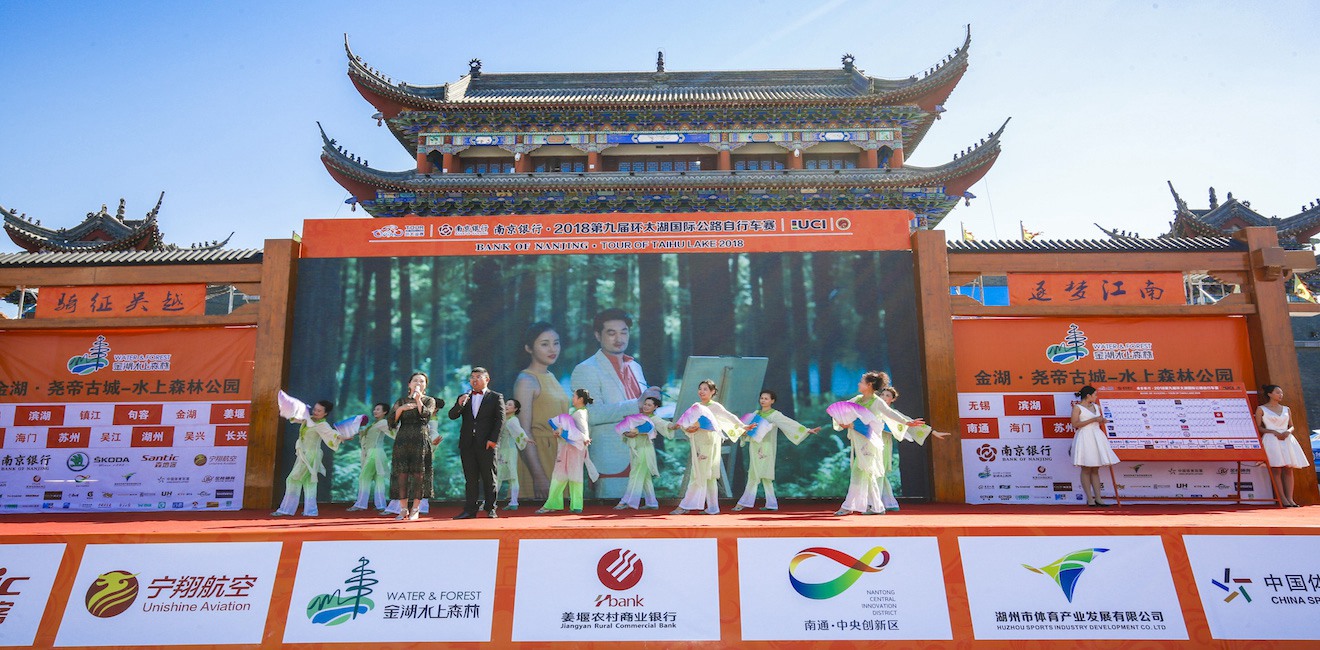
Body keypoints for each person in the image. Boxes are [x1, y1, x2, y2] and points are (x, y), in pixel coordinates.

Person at [571, 309, 663, 498]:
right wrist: (637, 403)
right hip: (611, 460)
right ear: (598, 335)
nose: (619, 338)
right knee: (611, 513)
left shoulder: (635, 367)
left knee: (642, 514)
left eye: (623, 332)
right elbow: (591, 414)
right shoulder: (586, 369)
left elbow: (641, 410)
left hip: (641, 456)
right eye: (611, 333)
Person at [832, 371, 926, 516]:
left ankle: (851, 506)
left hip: (870, 442)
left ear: (869, 385)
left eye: (861, 382)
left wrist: (907, 422)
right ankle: (876, 506)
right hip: (860, 441)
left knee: (863, 472)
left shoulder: (877, 402)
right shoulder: (857, 399)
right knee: (865, 473)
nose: (859, 384)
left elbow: (890, 413)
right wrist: (842, 421)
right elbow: (842, 410)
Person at [672, 379, 750, 515]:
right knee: (709, 476)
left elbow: (729, 416)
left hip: (709, 442)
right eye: (700, 389)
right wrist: (688, 429)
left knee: (698, 474)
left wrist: (743, 426)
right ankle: (713, 508)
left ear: (713, 392)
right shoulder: (696, 406)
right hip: (698, 440)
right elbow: (686, 423)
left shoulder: (715, 407)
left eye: (705, 389)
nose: (701, 391)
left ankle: (684, 506)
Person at [733, 390, 820, 512]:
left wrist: (806, 430)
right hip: (755, 446)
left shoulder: (775, 415)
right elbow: (746, 428)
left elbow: (789, 423)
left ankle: (744, 502)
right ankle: (771, 504)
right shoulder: (756, 413)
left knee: (761, 475)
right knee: (756, 474)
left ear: (772, 401)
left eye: (766, 398)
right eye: (762, 398)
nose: (763, 400)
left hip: (767, 447)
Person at [513, 322, 566, 499]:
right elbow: (523, 431)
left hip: (559, 453)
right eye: (544, 344)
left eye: (556, 343)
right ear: (529, 348)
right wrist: (539, 476)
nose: (552, 349)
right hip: (539, 456)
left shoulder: (550, 376)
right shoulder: (526, 381)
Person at [449, 367, 506, 519]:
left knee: (489, 477)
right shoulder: (465, 397)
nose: (474, 380)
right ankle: (470, 510)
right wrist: (459, 404)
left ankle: (491, 508)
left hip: (487, 443)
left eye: (478, 377)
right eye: (472, 377)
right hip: (467, 443)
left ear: (487, 379)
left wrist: (493, 440)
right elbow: (452, 415)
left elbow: (500, 420)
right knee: (471, 479)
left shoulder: (495, 397)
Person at [273, 399, 345, 517]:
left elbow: (331, 433)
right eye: (315, 409)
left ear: (325, 413)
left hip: (311, 455)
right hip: (303, 454)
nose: (315, 412)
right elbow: (295, 418)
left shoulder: (322, 425)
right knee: (309, 482)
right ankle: (311, 511)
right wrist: (288, 409)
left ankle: (286, 510)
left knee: (293, 479)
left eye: (319, 411)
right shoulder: (309, 419)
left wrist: (341, 437)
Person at [388, 372, 441, 521]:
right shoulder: (401, 401)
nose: (418, 383)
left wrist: (418, 400)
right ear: (409, 384)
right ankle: (403, 508)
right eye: (415, 380)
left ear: (425, 385)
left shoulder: (429, 400)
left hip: (420, 439)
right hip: (403, 440)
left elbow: (426, 415)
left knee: (419, 474)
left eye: (422, 381)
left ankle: (416, 508)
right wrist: (401, 409)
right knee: (402, 474)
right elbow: (391, 422)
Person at [538, 388, 596, 514]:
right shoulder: (575, 411)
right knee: (563, 475)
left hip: (574, 449)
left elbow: (583, 430)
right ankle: (569, 505)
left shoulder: (580, 413)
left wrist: (585, 438)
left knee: (569, 475)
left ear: (580, 399)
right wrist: (559, 432)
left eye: (574, 396)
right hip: (568, 447)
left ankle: (570, 505)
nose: (572, 398)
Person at [614, 395, 672, 510]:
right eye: (645, 404)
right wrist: (626, 433)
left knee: (635, 474)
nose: (646, 406)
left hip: (645, 450)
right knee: (645, 478)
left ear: (655, 407)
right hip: (636, 449)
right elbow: (625, 429)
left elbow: (665, 425)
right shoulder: (638, 417)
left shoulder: (654, 419)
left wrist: (673, 425)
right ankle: (652, 502)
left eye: (649, 405)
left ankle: (625, 501)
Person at [1256, 384, 1308, 508]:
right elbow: (1259, 427)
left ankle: (1290, 498)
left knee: (1288, 469)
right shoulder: (1261, 409)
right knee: (1276, 469)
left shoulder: (1286, 409)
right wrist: (1273, 432)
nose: (1280, 395)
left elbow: (1291, 425)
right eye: (1277, 392)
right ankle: (1282, 498)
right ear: (1269, 394)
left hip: (1287, 439)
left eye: (1281, 393)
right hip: (1272, 439)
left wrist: (1288, 432)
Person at [1070, 385, 1119, 507]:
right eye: (1095, 395)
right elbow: (1075, 424)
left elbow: (1098, 420)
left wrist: (1101, 420)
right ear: (1088, 395)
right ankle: (1089, 498)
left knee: (1095, 468)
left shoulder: (1097, 407)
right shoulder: (1077, 408)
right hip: (1085, 437)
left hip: (1096, 436)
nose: (1096, 397)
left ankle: (1098, 498)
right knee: (1086, 468)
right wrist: (1093, 420)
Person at [346, 402, 394, 512]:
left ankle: (361, 504)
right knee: (378, 479)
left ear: (384, 412)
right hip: (375, 452)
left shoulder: (383, 423)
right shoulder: (375, 424)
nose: (375, 411)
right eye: (375, 409)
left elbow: (393, 431)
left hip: (374, 453)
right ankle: (381, 505)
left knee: (364, 477)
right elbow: (365, 434)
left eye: (378, 409)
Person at [497, 399, 529, 510]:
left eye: (510, 405)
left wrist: (525, 438)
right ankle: (490, 502)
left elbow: (519, 431)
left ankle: (514, 502)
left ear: (515, 409)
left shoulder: (513, 420)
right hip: (501, 451)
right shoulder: (503, 419)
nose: (506, 406)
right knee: (497, 476)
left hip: (510, 451)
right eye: (506, 404)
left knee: (512, 477)